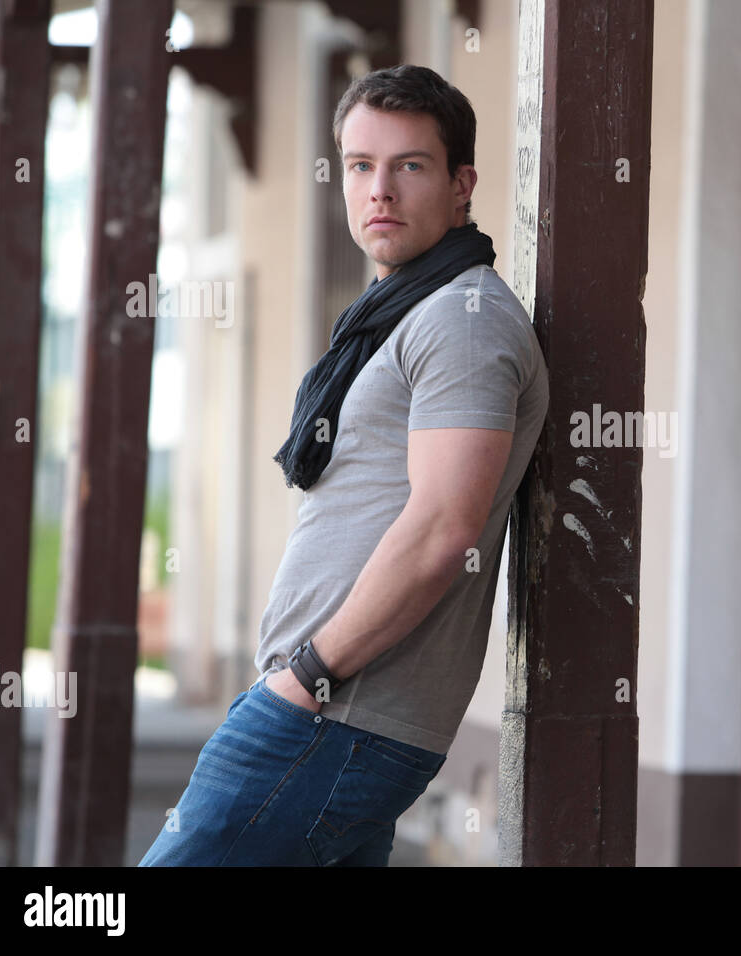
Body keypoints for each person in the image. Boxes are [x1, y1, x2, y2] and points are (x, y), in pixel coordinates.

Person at [139, 64, 549, 866]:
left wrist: (306, 677)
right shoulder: (401, 314)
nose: (380, 191)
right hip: (336, 712)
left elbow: (442, 529)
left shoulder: (460, 322)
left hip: (335, 712)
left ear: (462, 184)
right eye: (361, 165)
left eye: (411, 165)